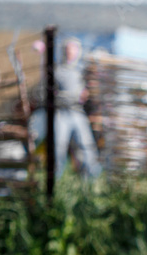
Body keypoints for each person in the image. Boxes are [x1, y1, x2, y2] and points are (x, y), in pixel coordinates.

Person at [30, 38, 102, 179]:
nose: (70, 53)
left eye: (73, 50)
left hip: (77, 112)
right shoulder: (56, 71)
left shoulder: (82, 71)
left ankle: (91, 178)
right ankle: (55, 178)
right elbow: (41, 92)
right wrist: (60, 96)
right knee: (58, 147)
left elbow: (90, 91)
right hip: (61, 114)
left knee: (86, 145)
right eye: (68, 50)